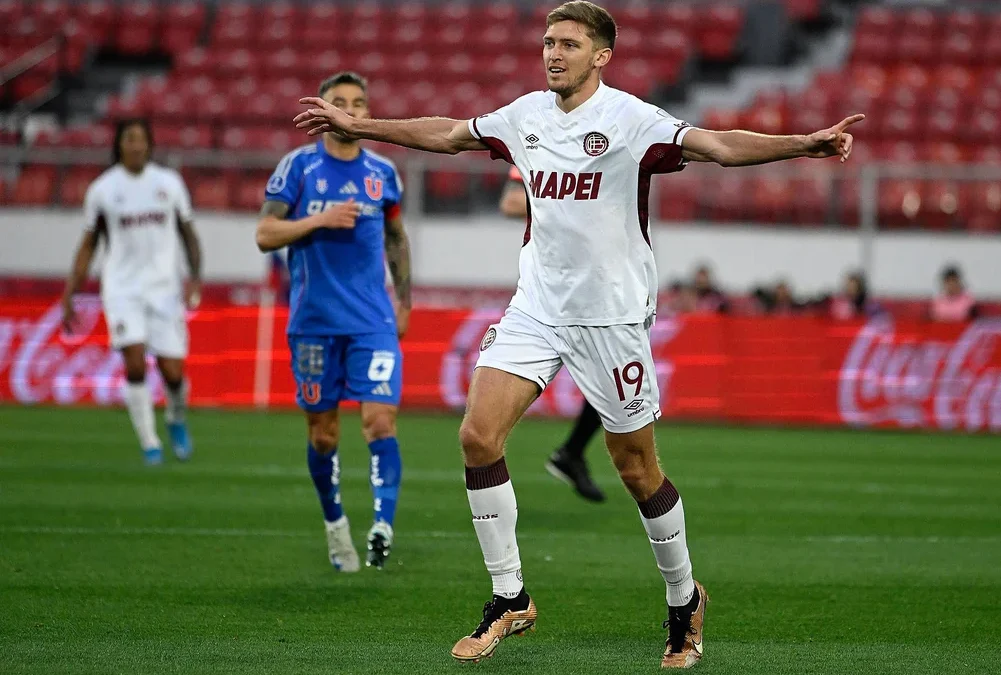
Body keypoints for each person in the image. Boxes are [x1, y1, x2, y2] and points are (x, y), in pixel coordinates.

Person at [294, 1, 861, 666]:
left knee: (635, 468)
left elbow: (714, 144)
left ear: (600, 56)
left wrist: (802, 143)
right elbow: (449, 133)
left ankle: (683, 600)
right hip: (537, 305)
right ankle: (510, 598)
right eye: (547, 42)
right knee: (477, 435)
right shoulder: (524, 115)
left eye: (567, 43)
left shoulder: (630, 120)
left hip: (611, 317)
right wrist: (357, 124)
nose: (552, 53)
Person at [257, 72, 411, 572]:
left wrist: (404, 301)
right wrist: (317, 220)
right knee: (324, 435)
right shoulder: (297, 169)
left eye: (358, 103)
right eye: (338, 102)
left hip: (372, 321)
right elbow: (265, 233)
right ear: (321, 112)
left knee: (379, 421)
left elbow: (395, 239)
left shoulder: (384, 173)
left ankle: (383, 526)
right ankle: (335, 524)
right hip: (314, 322)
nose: (349, 109)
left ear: (367, 113)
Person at [61, 118, 201, 466]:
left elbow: (188, 233)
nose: (135, 145)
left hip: (165, 289)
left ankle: (176, 419)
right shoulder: (103, 190)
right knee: (135, 363)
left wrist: (195, 278)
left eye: (141, 139)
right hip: (123, 289)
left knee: (173, 373)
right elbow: (89, 243)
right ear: (119, 145)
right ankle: (149, 442)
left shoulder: (169, 183)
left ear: (150, 145)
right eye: (129, 139)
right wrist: (70, 292)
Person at [499, 165, 605, 502]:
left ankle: (571, 453)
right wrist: (569, 206)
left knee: (611, 382)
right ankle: (489, 456)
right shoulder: (542, 147)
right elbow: (511, 203)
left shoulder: (605, 146)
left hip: (594, 280)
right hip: (549, 289)